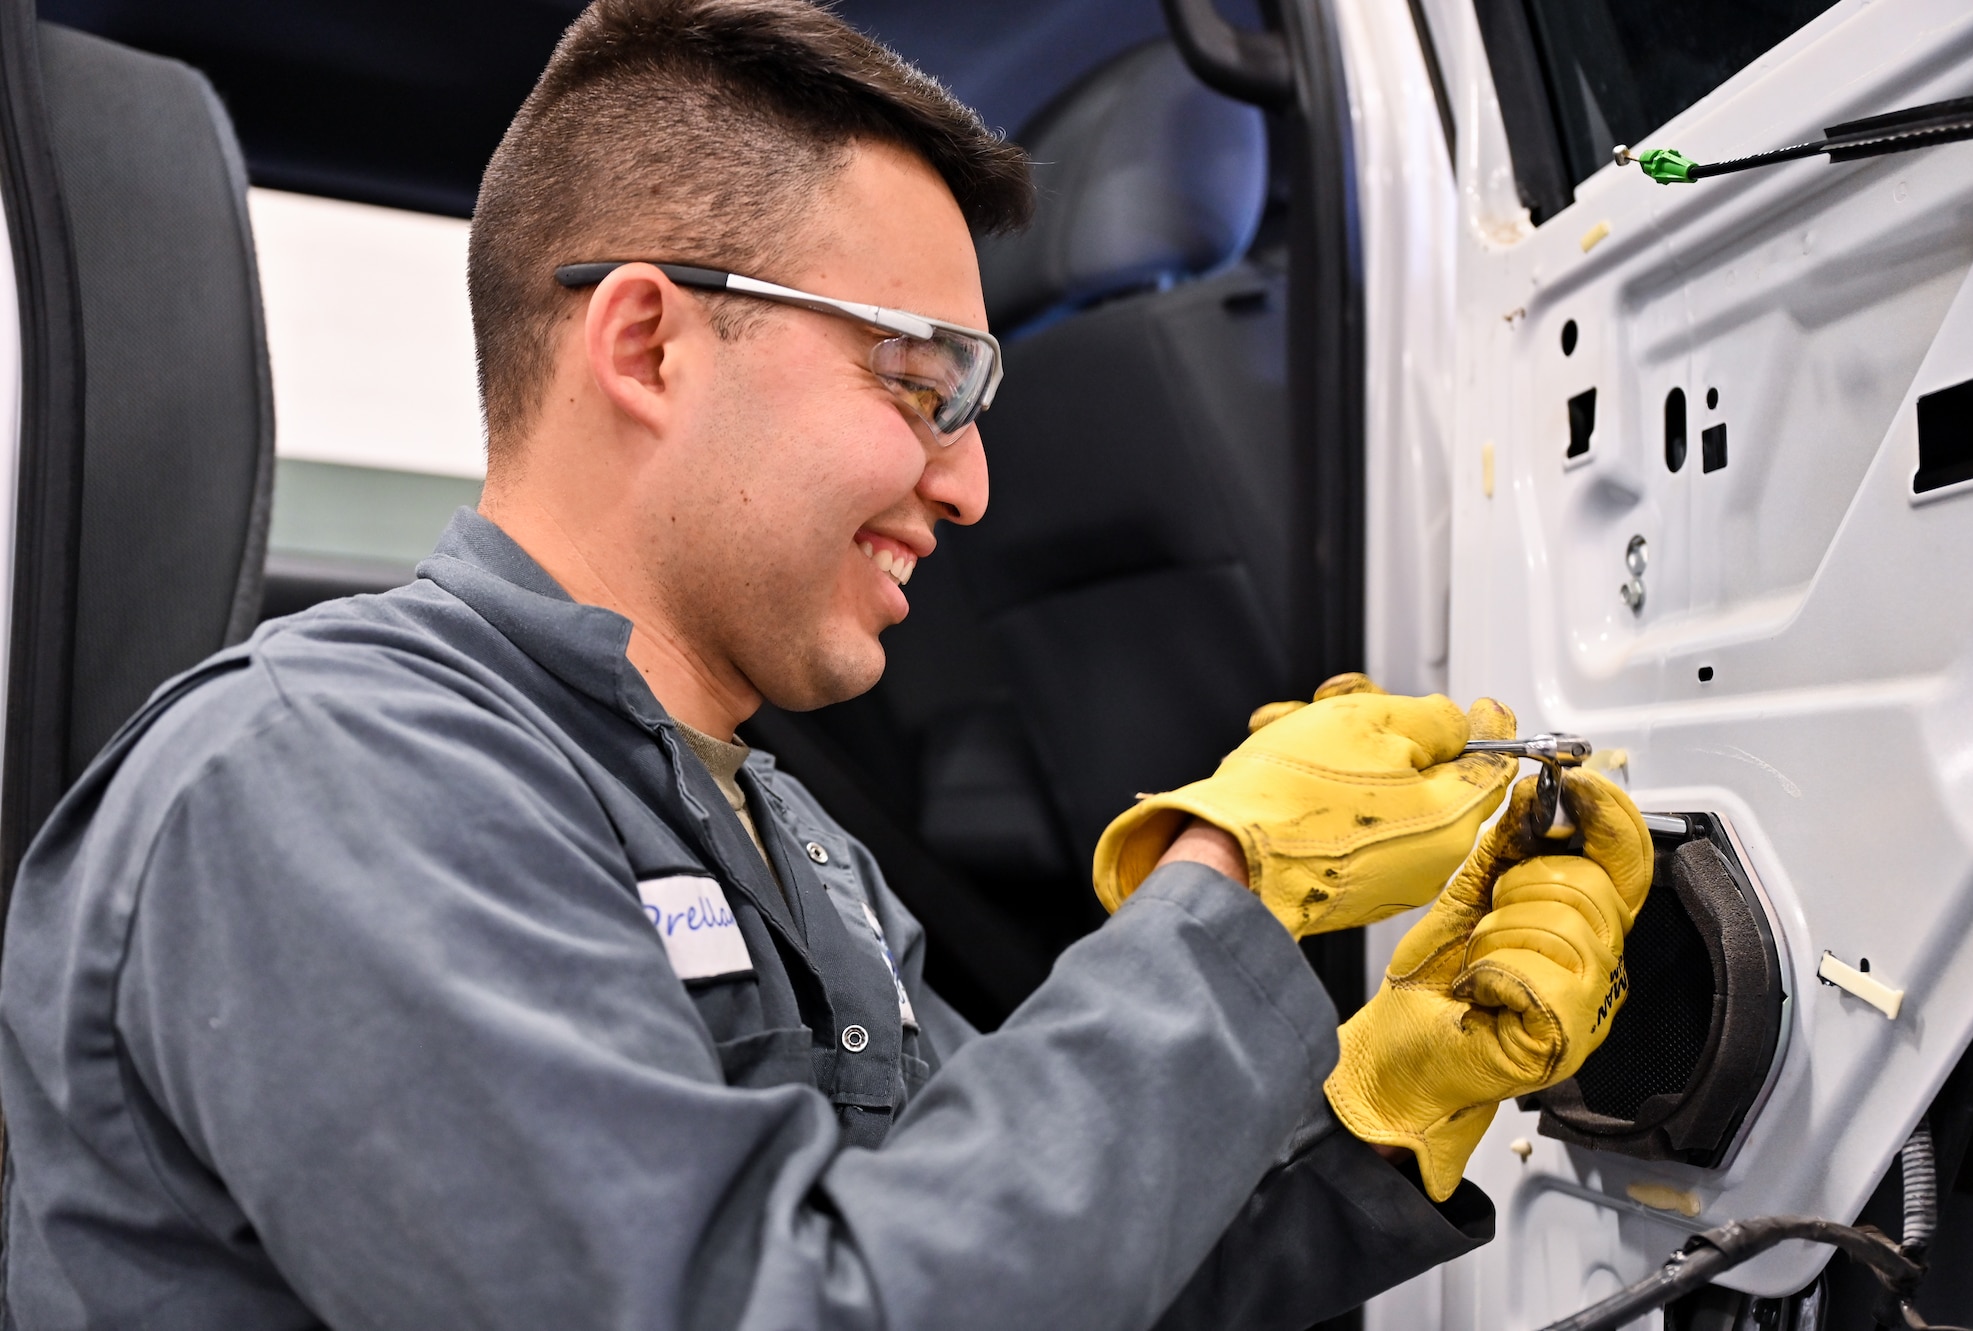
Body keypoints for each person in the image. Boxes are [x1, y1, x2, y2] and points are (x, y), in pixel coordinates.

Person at [0, 2, 1652, 1327]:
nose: (970, 479)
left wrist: (1384, 1115)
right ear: (646, 342)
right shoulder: (326, 780)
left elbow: (1027, 1276)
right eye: (917, 380)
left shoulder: (786, 842)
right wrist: (1222, 887)